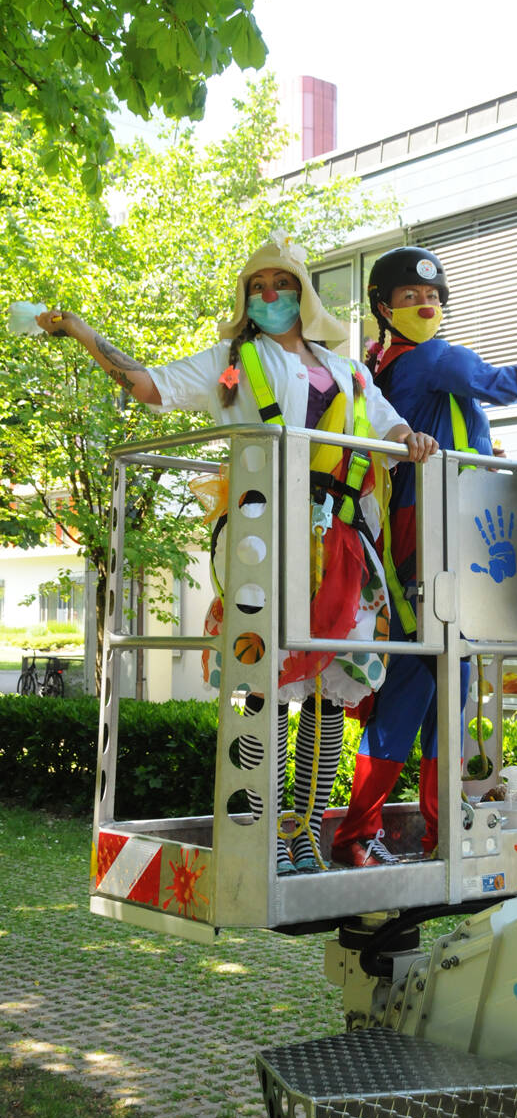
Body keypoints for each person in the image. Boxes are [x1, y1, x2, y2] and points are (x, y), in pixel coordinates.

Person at [36, 235, 437, 875]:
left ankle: (306, 831)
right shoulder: (235, 365)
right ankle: (269, 829)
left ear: (303, 294)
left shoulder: (350, 370)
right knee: (271, 681)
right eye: (259, 287)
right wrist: (84, 332)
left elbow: (385, 422)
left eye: (282, 284)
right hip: (265, 535)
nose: (271, 296)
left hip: (341, 541)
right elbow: (151, 385)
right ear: (247, 300)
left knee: (333, 687)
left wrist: (409, 438)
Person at [330, 245, 517, 867]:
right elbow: (510, 385)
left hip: (430, 540)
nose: (426, 305)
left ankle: (438, 829)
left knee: (446, 696)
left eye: (433, 297)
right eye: (410, 298)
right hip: (441, 542)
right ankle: (360, 835)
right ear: (382, 309)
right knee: (420, 689)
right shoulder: (435, 358)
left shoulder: (388, 364)